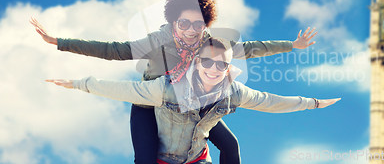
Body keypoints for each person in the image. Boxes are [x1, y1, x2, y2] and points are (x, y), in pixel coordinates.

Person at [30, 0, 318, 164]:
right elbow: (113, 50)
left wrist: (292, 45)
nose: (192, 31)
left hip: (192, 104)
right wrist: (59, 42)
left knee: (230, 145)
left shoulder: (209, 42)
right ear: (172, 23)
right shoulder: (158, 40)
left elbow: (251, 48)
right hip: (152, 102)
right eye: (184, 24)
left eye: (198, 24)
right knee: (145, 159)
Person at [46, 37, 341, 164]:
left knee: (231, 144)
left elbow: (270, 101)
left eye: (221, 66)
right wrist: (78, 84)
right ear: (196, 62)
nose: (214, 70)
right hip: (159, 136)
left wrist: (312, 102)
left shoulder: (232, 90)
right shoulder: (166, 86)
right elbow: (122, 88)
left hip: (195, 157)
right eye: (208, 64)